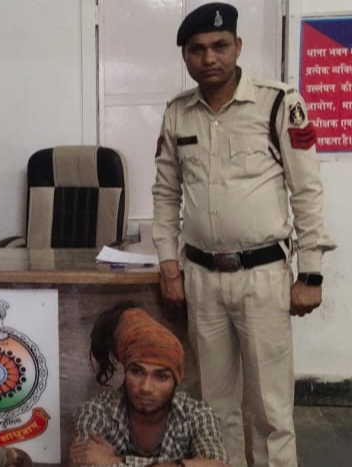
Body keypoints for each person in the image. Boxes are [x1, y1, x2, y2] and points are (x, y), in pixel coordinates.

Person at [152, 3, 336, 467]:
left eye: (219, 46)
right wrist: (169, 266)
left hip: (263, 277)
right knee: (214, 409)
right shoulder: (177, 113)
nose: (209, 58)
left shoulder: (278, 103)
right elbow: (165, 193)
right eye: (196, 49)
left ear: (238, 46)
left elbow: (306, 191)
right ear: (185, 57)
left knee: (271, 411)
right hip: (202, 279)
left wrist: (311, 273)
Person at [71, 302, 228, 467]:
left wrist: (115, 461)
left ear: (176, 381)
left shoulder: (196, 414)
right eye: (137, 372)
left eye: (161, 377)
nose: (146, 387)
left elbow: (218, 465)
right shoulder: (97, 411)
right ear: (125, 371)